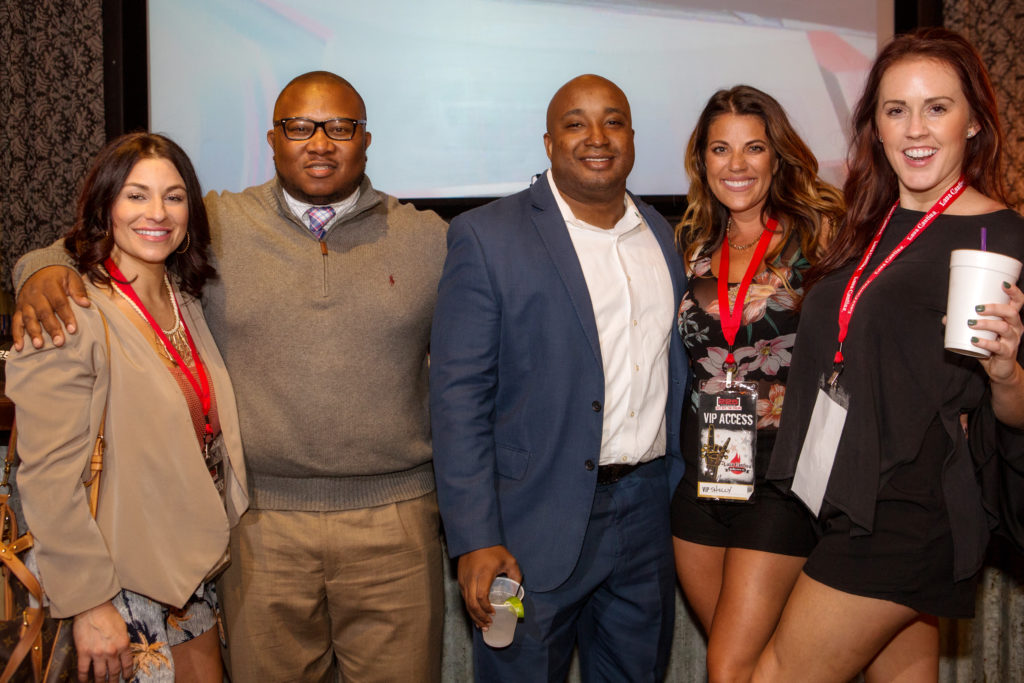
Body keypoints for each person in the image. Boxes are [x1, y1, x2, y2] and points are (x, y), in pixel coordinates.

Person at [11, 71, 449, 682]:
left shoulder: (429, 239)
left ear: (366, 140)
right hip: (256, 530)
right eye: (299, 127)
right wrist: (37, 272)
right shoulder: (216, 221)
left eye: (340, 127)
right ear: (272, 140)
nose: (319, 142)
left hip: (396, 524)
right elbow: (96, 238)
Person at [754, 28, 1024, 682]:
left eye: (938, 107)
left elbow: (1016, 412)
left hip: (909, 507)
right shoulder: (868, 221)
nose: (916, 129)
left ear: (974, 123)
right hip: (844, 487)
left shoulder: (1000, 236)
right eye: (896, 110)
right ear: (875, 126)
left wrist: (1005, 372)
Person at [430, 74, 688, 681]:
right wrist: (474, 537)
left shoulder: (661, 233)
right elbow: (458, 399)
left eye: (613, 121)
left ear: (632, 137)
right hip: (530, 524)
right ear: (549, 143)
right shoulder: (487, 235)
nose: (597, 137)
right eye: (576, 123)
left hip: (647, 515)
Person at [5, 132, 248, 681]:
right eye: (136, 195)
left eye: (173, 196)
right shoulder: (68, 311)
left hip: (187, 576)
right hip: (114, 584)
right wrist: (89, 603)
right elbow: (46, 477)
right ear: (104, 206)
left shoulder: (185, 299)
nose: (156, 212)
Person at [670, 85, 843, 682]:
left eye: (754, 147)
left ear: (777, 156)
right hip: (703, 473)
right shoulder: (693, 245)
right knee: (748, 665)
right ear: (702, 160)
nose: (736, 164)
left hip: (781, 477)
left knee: (728, 667)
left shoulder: (820, 237)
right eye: (721, 149)